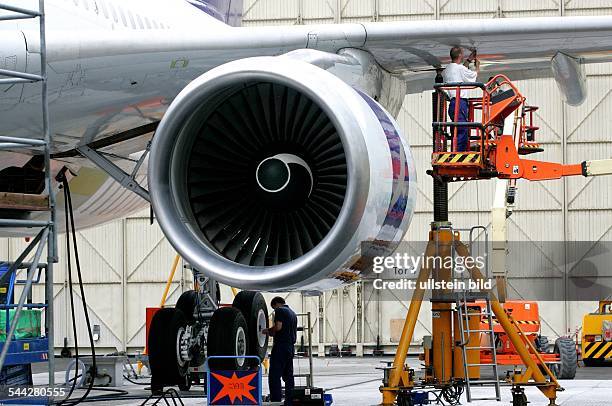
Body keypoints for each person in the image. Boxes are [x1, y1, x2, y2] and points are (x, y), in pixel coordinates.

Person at [443, 46, 480, 151]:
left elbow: (460, 71)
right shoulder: (459, 68)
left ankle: (456, 152)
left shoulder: (448, 69)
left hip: (453, 103)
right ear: (459, 55)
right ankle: (459, 154)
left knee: (456, 129)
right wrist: (477, 67)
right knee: (462, 130)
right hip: (460, 103)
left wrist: (469, 60)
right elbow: (472, 76)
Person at [263, 297, 298, 405]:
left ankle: (275, 401)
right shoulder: (293, 313)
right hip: (290, 347)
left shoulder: (280, 310)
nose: (274, 310)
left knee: (274, 375)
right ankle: (289, 400)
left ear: (276, 304)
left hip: (281, 347)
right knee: (288, 376)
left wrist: (268, 331)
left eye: (273, 308)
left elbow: (278, 327)